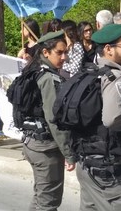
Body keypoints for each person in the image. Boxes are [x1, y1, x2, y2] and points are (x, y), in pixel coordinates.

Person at [73, 23, 121, 210]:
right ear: (108, 50)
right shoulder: (115, 78)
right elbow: (112, 118)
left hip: (87, 163)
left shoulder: (91, 73)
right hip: (107, 169)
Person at [20, 30, 76, 210]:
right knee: (48, 202)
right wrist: (68, 153)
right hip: (46, 149)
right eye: (59, 52)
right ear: (45, 53)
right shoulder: (49, 78)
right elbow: (54, 119)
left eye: (65, 52)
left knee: (40, 198)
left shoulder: (33, 70)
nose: (65, 57)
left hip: (32, 143)